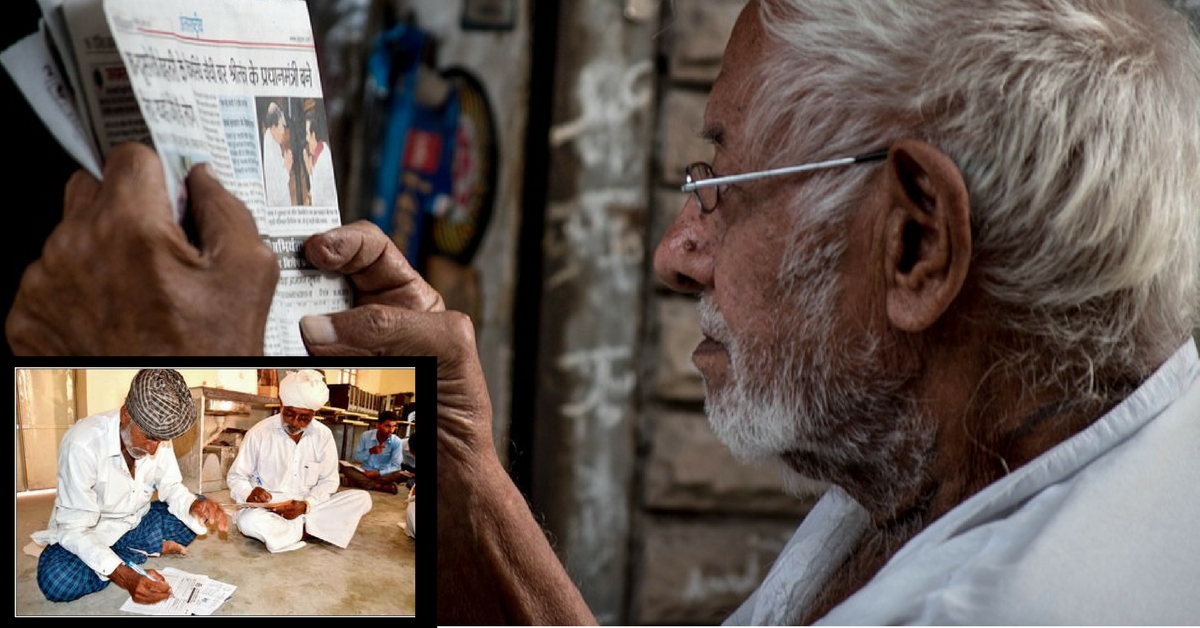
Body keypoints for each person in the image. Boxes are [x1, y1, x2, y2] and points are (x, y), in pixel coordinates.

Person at [5, 0, 1200, 623]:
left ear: (918, 240)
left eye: (718, 183)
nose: (681, 250)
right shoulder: (979, 460)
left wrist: (140, 377)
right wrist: (457, 487)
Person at [30, 369, 229, 604]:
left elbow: (172, 487)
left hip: (135, 523)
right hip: (90, 532)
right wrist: (125, 576)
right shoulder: (82, 444)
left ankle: (126, 552)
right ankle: (128, 555)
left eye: (161, 440)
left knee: (189, 520)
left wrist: (195, 504)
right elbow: (73, 529)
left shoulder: (157, 434)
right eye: (149, 437)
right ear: (126, 414)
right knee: (57, 580)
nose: (154, 449)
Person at [226, 369, 372, 553]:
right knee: (248, 522)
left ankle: (297, 530)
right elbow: (236, 477)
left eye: (304, 417)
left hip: (309, 506)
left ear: (315, 413)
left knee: (362, 499)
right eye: (289, 414)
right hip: (269, 509)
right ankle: (310, 530)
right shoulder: (259, 432)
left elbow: (329, 481)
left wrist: (306, 505)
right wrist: (248, 493)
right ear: (281, 404)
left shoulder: (323, 435)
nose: (295, 422)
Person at [339, 410, 412, 494]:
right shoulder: (366, 436)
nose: (391, 430)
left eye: (394, 426)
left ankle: (359, 482)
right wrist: (370, 451)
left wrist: (378, 473)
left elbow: (396, 466)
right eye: (387, 426)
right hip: (365, 472)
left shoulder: (396, 441)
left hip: (384, 475)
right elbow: (357, 457)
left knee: (401, 474)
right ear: (378, 425)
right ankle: (380, 486)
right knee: (345, 468)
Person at [303, 105, 337, 207]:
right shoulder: (322, 148)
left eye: (307, 134)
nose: (306, 138)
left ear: (313, 135)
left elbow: (317, 202)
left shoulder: (322, 163)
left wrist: (310, 172)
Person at [262, 100, 293, 207]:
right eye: (281, 126)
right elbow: (277, 193)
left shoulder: (271, 138)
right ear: (273, 127)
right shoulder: (269, 152)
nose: (283, 131)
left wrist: (284, 161)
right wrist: (287, 168)